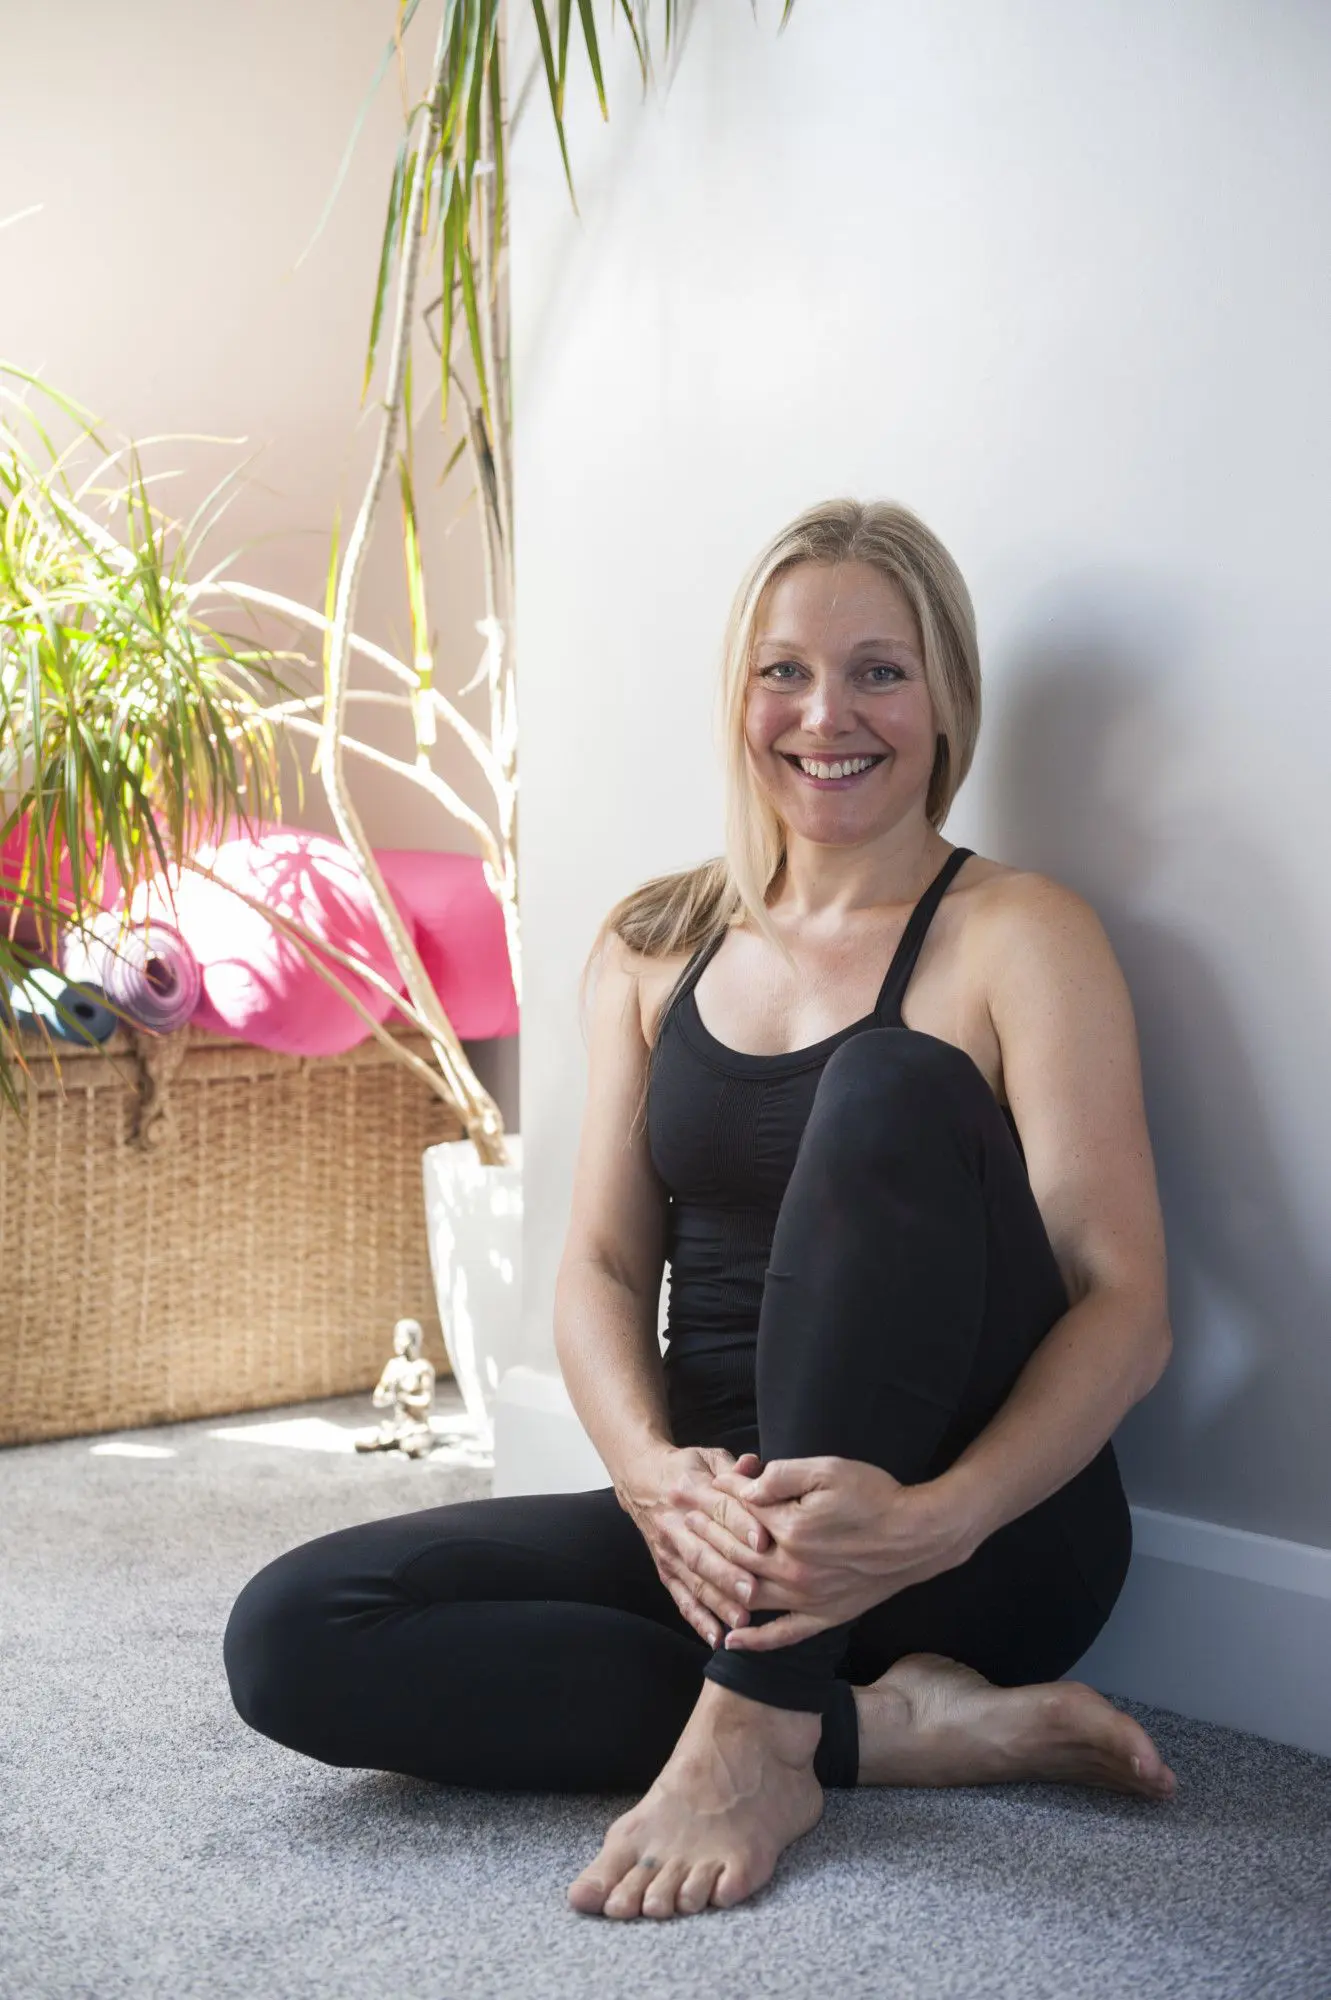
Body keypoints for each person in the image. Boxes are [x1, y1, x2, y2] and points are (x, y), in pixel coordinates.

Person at [223, 497, 1178, 1923]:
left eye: (878, 671)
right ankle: (881, 1731)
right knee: (295, 1632)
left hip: (962, 1543)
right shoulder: (651, 945)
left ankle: (753, 1738)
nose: (826, 714)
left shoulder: (1018, 935)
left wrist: (939, 1519)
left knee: (887, 1083)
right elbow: (602, 1268)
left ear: (944, 701)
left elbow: (1125, 1305)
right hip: (719, 1534)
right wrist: (654, 1484)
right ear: (740, 696)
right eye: (785, 670)